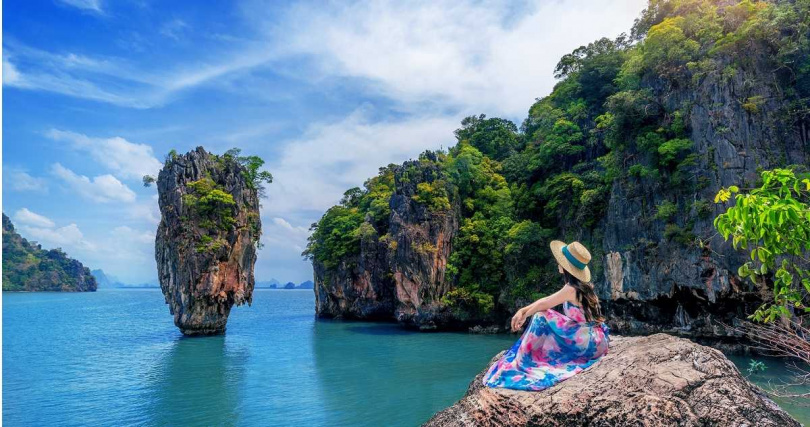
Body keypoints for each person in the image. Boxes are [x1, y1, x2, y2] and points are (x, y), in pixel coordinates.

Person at [482, 240, 610, 391]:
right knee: (543, 313)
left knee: (540, 317)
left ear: (567, 267)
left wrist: (525, 314)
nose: (558, 262)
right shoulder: (580, 286)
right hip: (595, 337)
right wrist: (523, 310)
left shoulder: (571, 289)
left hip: (587, 344)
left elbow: (544, 305)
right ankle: (528, 357)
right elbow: (545, 301)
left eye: (560, 261)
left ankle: (524, 361)